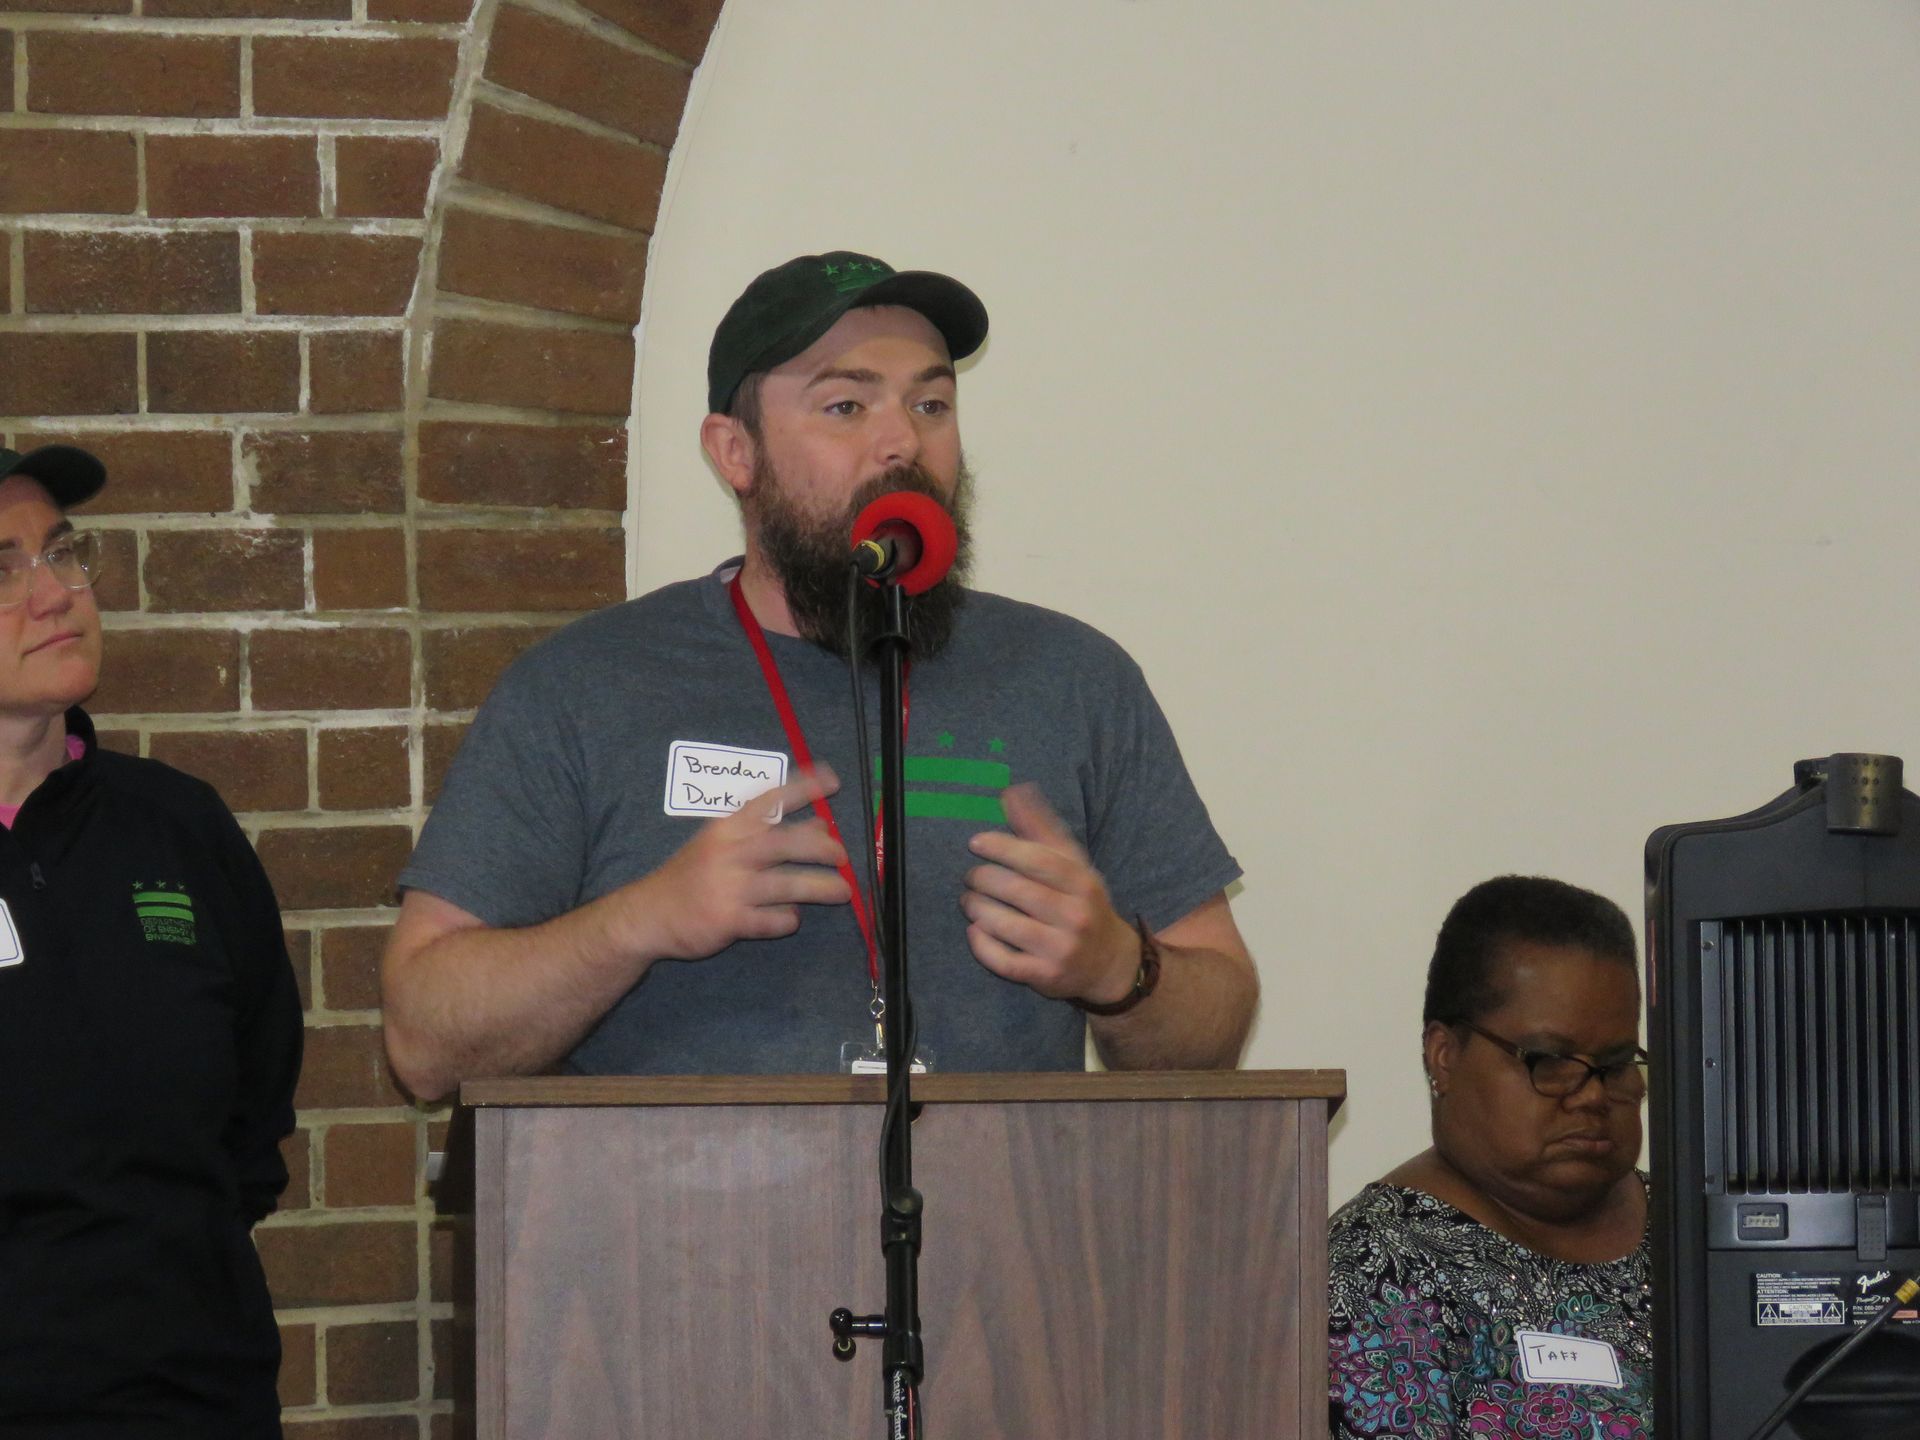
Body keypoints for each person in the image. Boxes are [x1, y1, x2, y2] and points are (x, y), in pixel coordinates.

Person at [382, 251, 1258, 1098]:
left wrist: (1118, 968)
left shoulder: (1072, 679)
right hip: (683, 1201)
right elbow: (425, 1043)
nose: (901, 442)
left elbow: (1215, 1028)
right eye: (846, 405)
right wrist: (637, 923)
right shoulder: (583, 686)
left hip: (1004, 1199)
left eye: (931, 403)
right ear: (735, 453)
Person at [0, 446, 303, 1437]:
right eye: (2, 569)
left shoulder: (178, 825)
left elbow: (252, 1117)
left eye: (61, 552)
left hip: (192, 1399)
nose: (55, 594)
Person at [1328, 875, 1652, 1440]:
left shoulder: (1706, 1229)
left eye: (1617, 1063)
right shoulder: (1373, 1272)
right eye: (1549, 1060)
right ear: (1444, 1055)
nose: (1592, 1095)